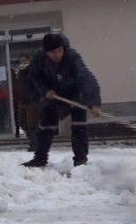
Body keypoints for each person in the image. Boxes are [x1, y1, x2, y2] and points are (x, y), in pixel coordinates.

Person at [23, 33, 102, 168]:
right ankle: (40, 158)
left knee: (79, 127)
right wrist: (45, 90)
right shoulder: (39, 58)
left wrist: (94, 103)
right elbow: (34, 77)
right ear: (46, 52)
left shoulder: (72, 57)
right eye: (53, 52)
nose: (57, 55)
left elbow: (85, 78)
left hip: (76, 95)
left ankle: (80, 159)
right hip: (53, 95)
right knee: (45, 127)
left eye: (60, 50)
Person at [13, 54, 39, 151]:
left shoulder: (33, 70)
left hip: (32, 100)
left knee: (32, 123)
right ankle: (33, 140)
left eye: (24, 60)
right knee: (21, 121)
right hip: (22, 100)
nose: (22, 62)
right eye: (21, 61)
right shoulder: (19, 72)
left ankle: (34, 144)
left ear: (29, 60)